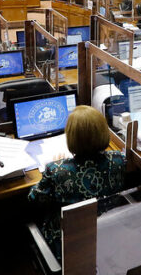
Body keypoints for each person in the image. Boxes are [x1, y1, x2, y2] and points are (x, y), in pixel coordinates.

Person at [28, 105, 125, 257]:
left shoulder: (57, 170)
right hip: (108, 232)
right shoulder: (118, 159)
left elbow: (34, 198)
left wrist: (59, 164)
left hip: (70, 241)